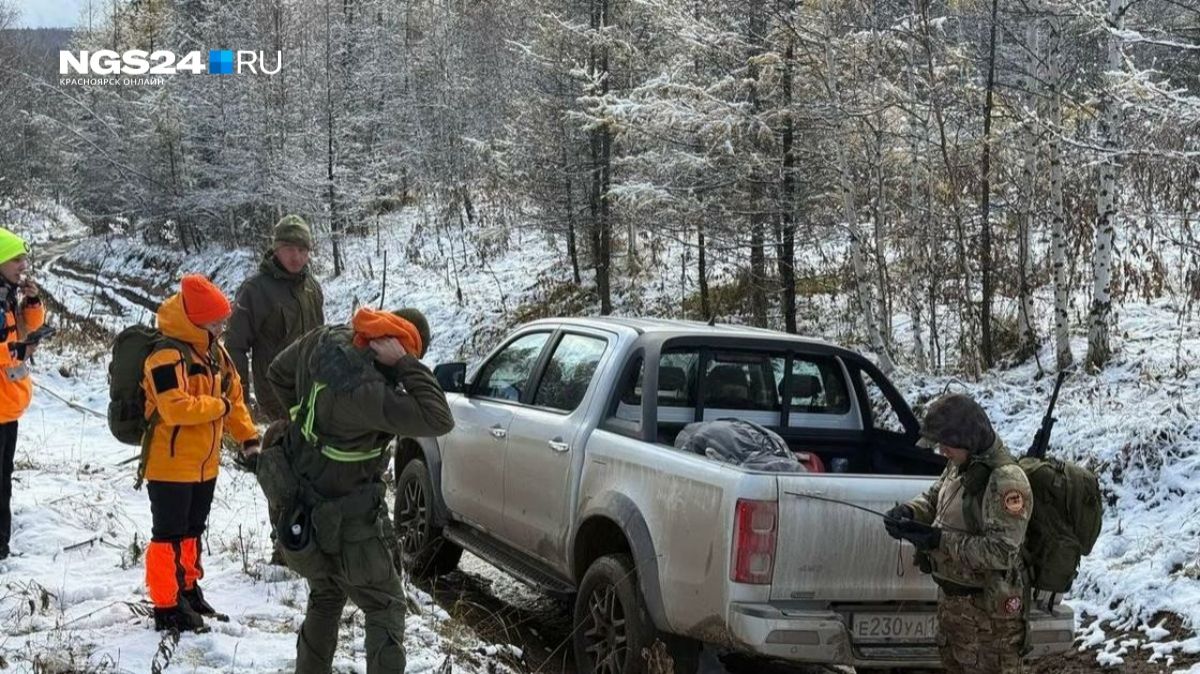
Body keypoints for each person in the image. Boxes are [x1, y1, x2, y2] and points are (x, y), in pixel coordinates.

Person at [265, 307, 453, 674]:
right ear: (395, 346)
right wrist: (405, 366)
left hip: (301, 501)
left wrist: (308, 426)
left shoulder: (324, 339)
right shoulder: (371, 394)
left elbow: (276, 374)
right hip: (350, 517)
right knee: (385, 605)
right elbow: (439, 418)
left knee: (325, 594)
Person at [141, 275, 260, 632]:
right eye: (217, 320)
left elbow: (235, 399)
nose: (223, 325)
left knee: (193, 531)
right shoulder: (165, 355)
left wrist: (249, 439)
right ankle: (166, 606)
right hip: (169, 464)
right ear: (197, 319)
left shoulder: (214, 352)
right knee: (168, 536)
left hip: (204, 465)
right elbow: (175, 408)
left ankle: (188, 591)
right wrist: (219, 406)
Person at [885, 393, 1033, 673]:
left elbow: (1003, 551)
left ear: (969, 440)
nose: (942, 451)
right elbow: (934, 498)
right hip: (955, 611)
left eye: (946, 445)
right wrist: (909, 513)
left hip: (989, 623)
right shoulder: (960, 464)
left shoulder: (1005, 481)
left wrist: (939, 541)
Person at [226, 214, 325, 422]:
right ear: (277, 249)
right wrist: (239, 400)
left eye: (302, 250)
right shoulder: (256, 290)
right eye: (289, 249)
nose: (296, 257)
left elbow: (320, 338)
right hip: (276, 396)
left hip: (312, 388)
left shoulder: (312, 287)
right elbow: (235, 346)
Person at [0, 227, 46, 561]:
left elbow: (25, 330)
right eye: (16, 258)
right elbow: (10, 347)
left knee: (4, 477)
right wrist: (20, 351)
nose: (23, 264)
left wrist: (31, 302)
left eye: (24, 257)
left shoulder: (8, 294)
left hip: (7, 404)